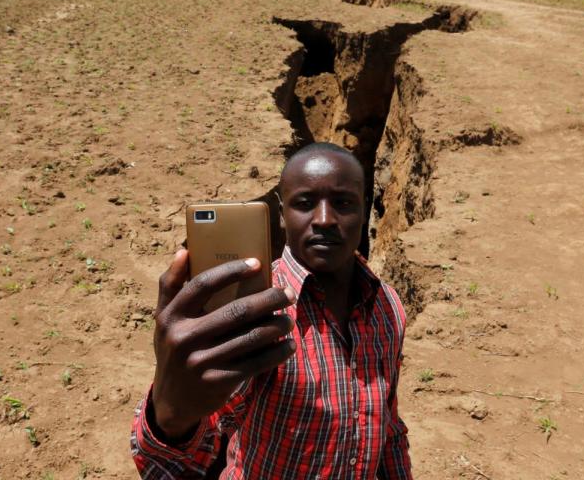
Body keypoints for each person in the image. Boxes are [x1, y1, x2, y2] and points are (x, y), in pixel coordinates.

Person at [131, 142, 412, 479]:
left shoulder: (388, 307)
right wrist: (170, 417)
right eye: (305, 203)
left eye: (343, 203)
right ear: (281, 214)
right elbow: (192, 448)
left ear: (364, 209)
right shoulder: (257, 312)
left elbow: (389, 426)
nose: (324, 219)